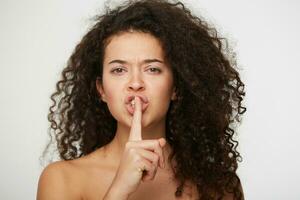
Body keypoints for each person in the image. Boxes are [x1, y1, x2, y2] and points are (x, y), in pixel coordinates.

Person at [37, 0, 246, 199]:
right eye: (119, 70)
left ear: (176, 88)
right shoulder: (62, 179)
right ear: (101, 90)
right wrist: (119, 188)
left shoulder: (219, 185)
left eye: (152, 69)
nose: (135, 83)